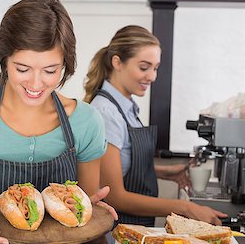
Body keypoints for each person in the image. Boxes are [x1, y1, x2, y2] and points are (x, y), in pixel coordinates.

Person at [0, 0, 117, 244]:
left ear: (65, 65)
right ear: (5, 60)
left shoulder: (86, 121)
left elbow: (84, 208)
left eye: (50, 71)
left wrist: (92, 209)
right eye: (22, 69)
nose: (35, 84)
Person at [83, 25, 227, 227]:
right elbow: (115, 196)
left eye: (155, 68)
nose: (152, 76)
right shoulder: (107, 113)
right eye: (144, 67)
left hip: (132, 227)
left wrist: (164, 171)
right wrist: (185, 207)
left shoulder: (126, 107)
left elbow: (122, 165)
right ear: (117, 62)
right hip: (113, 230)